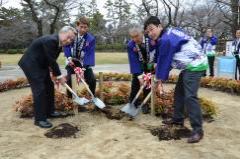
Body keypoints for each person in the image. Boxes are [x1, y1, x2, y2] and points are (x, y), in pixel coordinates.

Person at [144, 16, 208, 143]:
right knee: (179, 93)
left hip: (195, 64)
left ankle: (198, 130)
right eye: (148, 32)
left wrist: (157, 78)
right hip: (189, 65)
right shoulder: (168, 34)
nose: (150, 33)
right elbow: (162, 57)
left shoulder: (166, 39)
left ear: (159, 26)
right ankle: (178, 119)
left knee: (190, 96)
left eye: (152, 29)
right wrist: (157, 68)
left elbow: (164, 61)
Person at [18, 26, 76, 128]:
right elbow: (52, 61)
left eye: (71, 39)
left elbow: (50, 59)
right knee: (40, 90)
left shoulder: (59, 44)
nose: (69, 41)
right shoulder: (51, 40)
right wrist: (59, 76)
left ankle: (50, 112)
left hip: (41, 65)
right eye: (68, 37)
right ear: (62, 33)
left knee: (49, 86)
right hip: (31, 64)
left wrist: (53, 73)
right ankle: (40, 119)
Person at [64, 17, 96, 98]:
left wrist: (84, 68)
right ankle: (70, 99)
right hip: (71, 60)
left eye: (85, 27)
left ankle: (91, 98)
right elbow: (66, 46)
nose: (83, 29)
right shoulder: (71, 35)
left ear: (88, 27)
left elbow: (89, 54)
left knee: (92, 80)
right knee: (69, 80)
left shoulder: (91, 39)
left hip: (84, 62)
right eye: (81, 27)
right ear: (77, 26)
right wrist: (69, 58)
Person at [127, 25, 156, 114]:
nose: (135, 39)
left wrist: (155, 65)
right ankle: (132, 103)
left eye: (137, 36)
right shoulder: (130, 45)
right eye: (132, 37)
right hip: (139, 65)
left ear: (142, 33)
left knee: (148, 84)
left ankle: (145, 103)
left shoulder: (151, 39)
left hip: (150, 64)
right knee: (135, 83)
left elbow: (156, 52)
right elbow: (133, 61)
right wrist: (139, 76)